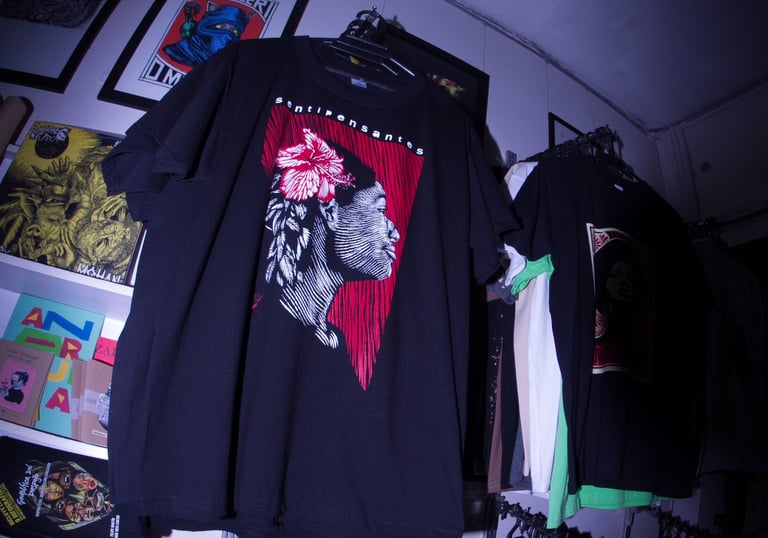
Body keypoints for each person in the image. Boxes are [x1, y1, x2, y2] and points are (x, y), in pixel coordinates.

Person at [262, 128, 400, 349]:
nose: (395, 233)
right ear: (331, 212)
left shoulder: (334, 341)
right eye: (380, 210)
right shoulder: (264, 322)